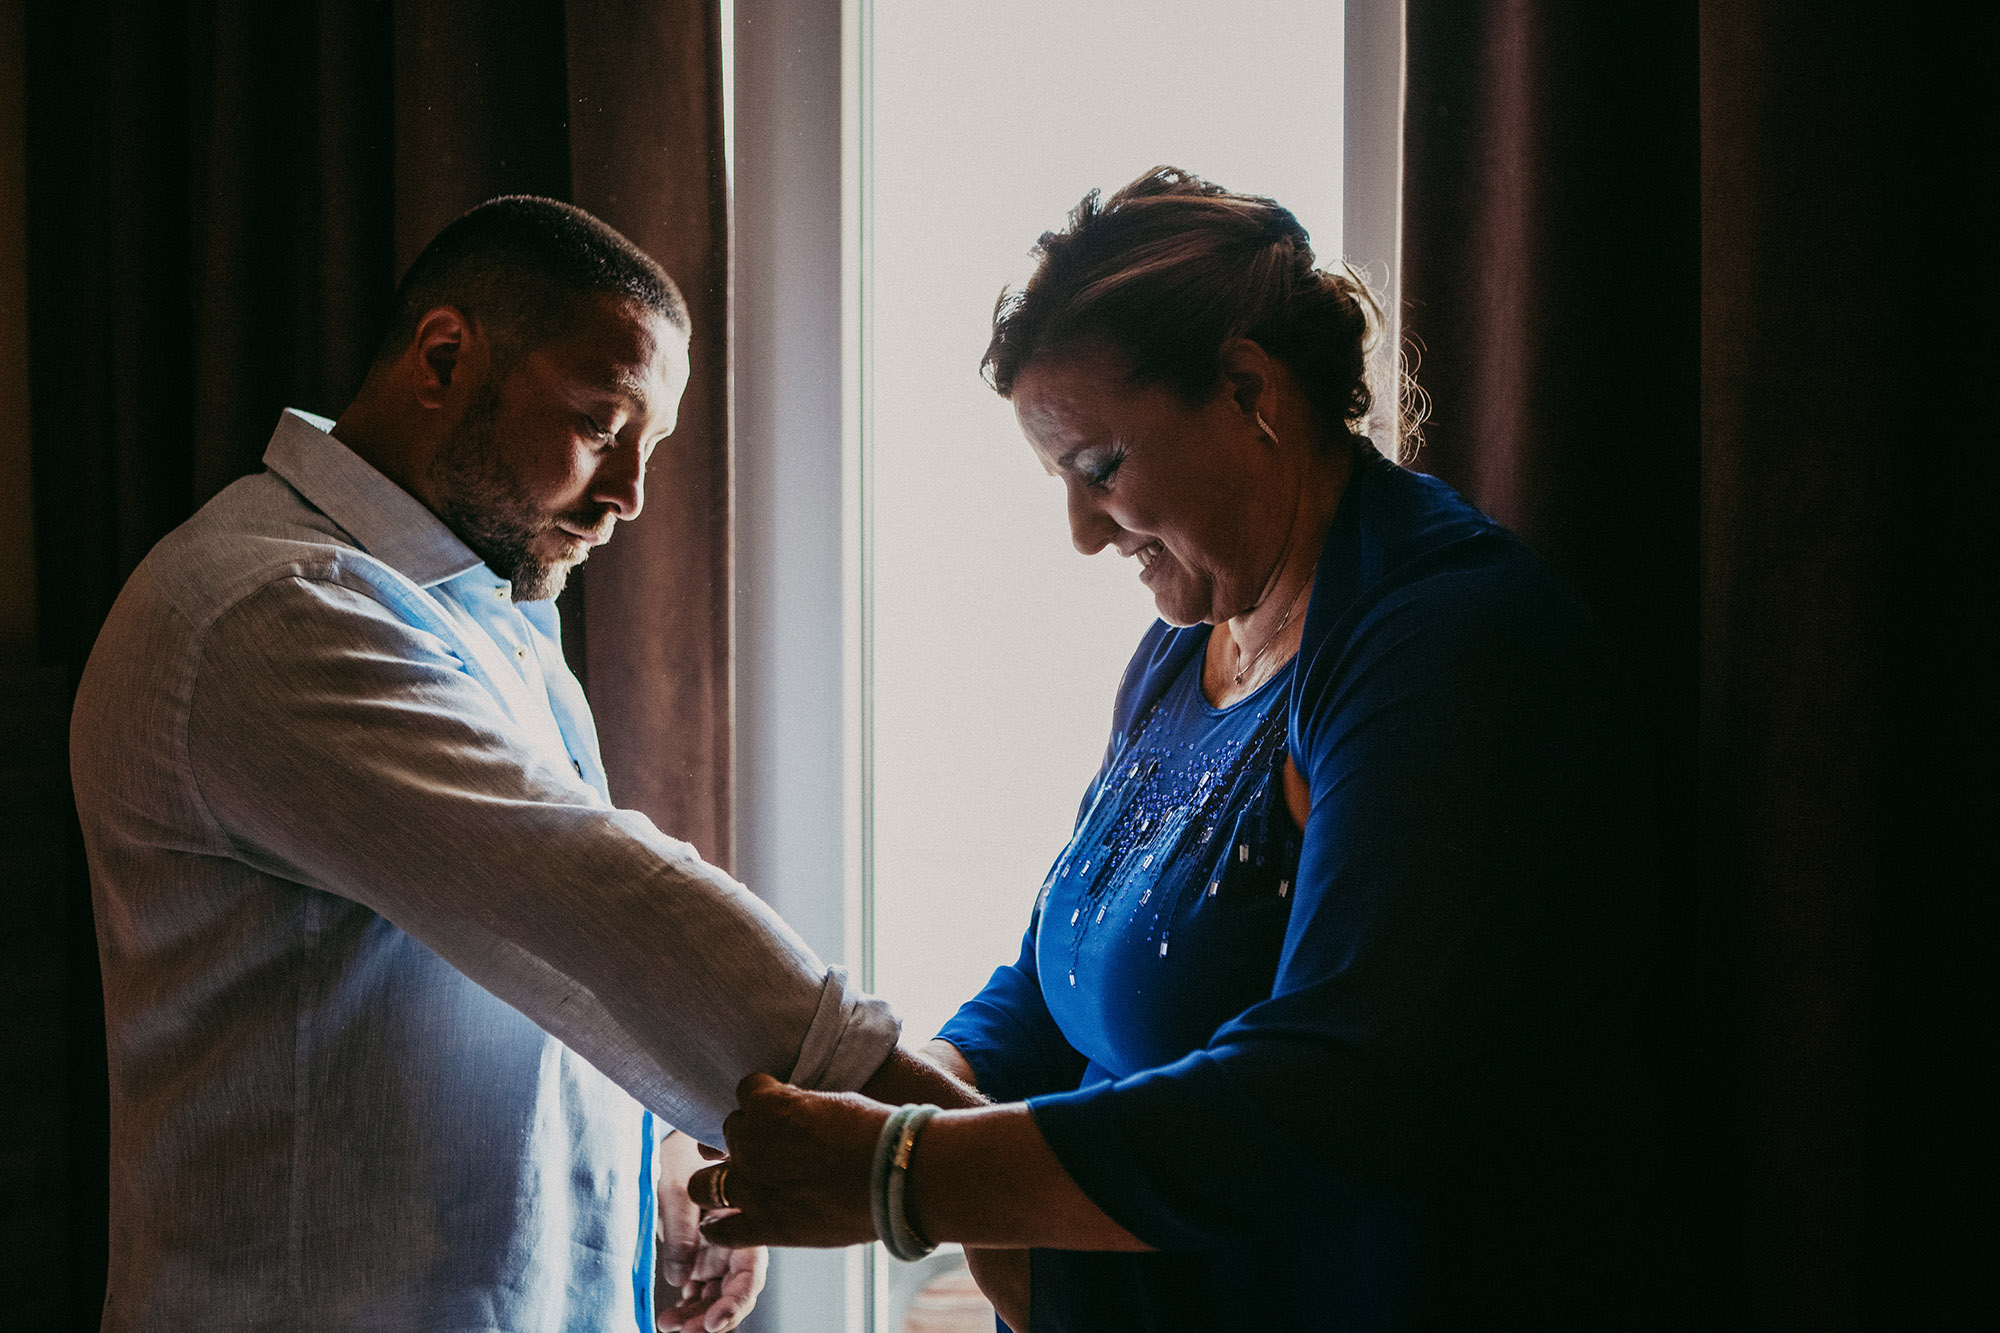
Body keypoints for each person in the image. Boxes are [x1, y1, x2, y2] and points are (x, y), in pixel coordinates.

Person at [689, 168, 1669, 1330]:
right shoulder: (1181, 654)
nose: (1078, 530)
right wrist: (927, 1079)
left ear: (1250, 389)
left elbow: (1333, 1091)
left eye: (1100, 468)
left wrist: (901, 1172)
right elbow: (1060, 970)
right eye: (1060, 481)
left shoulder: (1444, 645)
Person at [71, 197, 971, 1332]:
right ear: (444, 358)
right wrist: (945, 1149)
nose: (629, 497)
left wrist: (655, 1174)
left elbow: (498, 965)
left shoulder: (470, 614)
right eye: (602, 424)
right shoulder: (275, 609)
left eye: (650, 449)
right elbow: (588, 893)